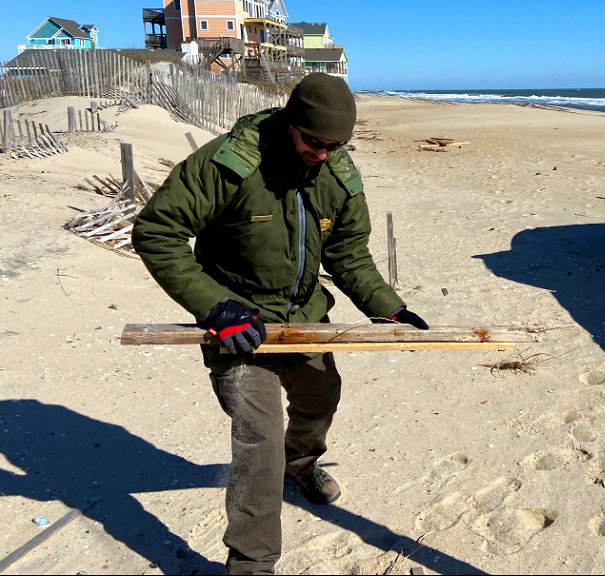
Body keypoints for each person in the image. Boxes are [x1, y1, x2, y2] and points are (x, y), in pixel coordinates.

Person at [131, 72, 429, 575]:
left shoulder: (338, 174)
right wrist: (215, 307)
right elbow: (157, 231)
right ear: (292, 122)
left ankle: (303, 464)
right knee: (259, 438)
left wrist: (388, 306)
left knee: (320, 401)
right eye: (315, 142)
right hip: (239, 327)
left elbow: (349, 254)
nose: (324, 153)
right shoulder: (231, 164)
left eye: (337, 145)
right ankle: (251, 562)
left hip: (306, 321)